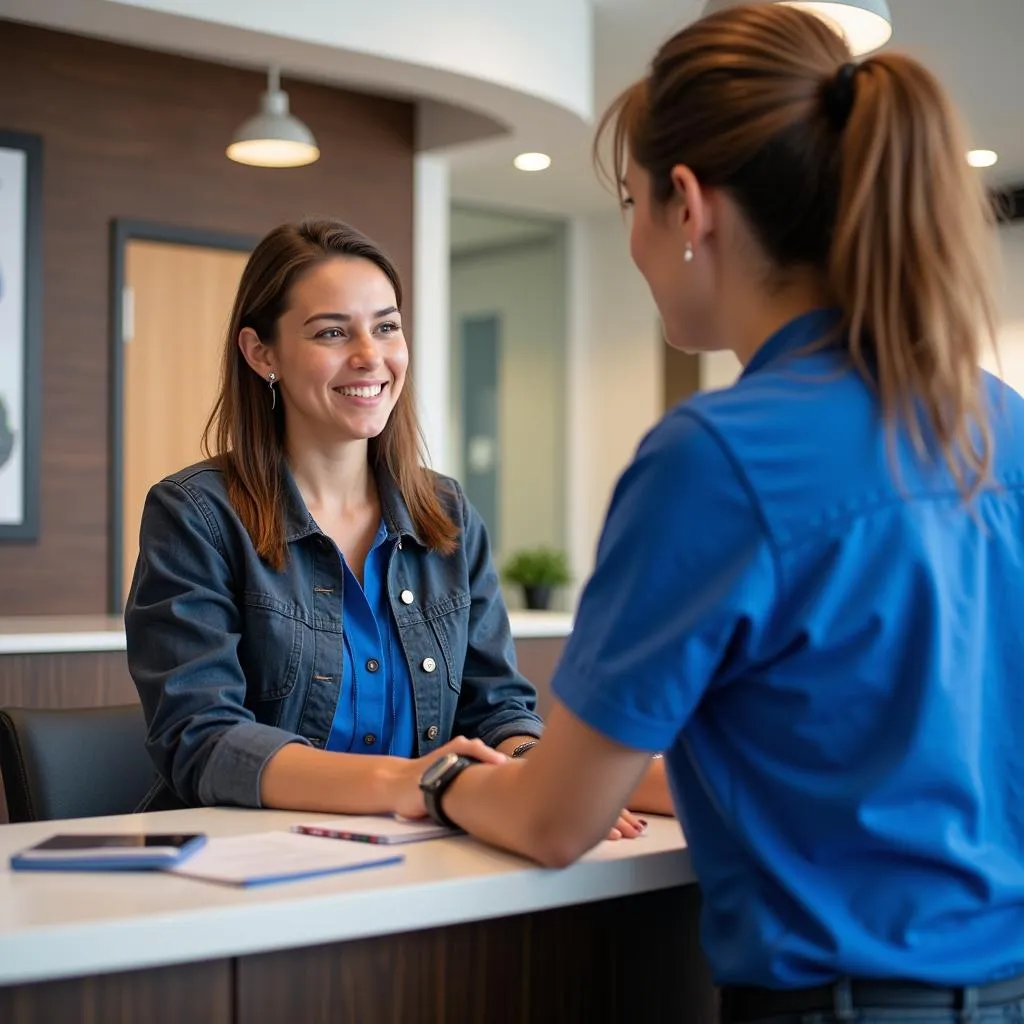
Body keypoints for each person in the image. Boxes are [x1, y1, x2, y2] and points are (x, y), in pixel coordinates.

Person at [395, 5, 1024, 1024]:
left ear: (687, 206)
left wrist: (446, 784)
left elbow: (556, 822)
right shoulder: (1000, 427)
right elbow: (858, 757)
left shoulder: (716, 456)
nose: (636, 240)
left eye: (630, 202)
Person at [125, 218, 670, 827]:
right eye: (332, 332)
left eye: (386, 327)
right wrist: (420, 782)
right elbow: (202, 740)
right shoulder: (195, 514)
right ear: (261, 353)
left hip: (415, 855)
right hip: (248, 871)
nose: (370, 356)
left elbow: (497, 709)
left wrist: (537, 772)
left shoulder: (448, 515)